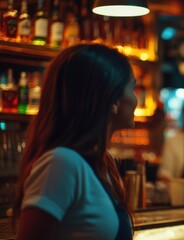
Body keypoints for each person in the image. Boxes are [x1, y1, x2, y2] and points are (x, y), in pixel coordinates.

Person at [13, 44, 138, 240]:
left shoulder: (103, 163)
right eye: (133, 88)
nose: (136, 99)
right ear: (113, 100)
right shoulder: (62, 163)